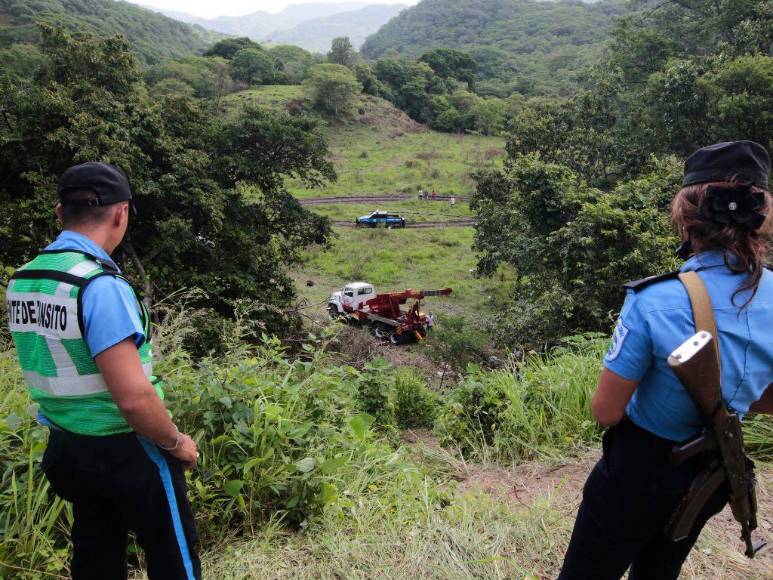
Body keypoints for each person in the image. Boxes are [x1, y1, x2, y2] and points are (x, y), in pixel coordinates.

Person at [559, 141, 773, 579]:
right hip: (712, 473)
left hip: (638, 471)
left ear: (687, 217)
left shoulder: (656, 298)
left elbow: (606, 410)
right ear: (760, 215)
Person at [5, 162, 201, 579]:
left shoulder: (25, 280)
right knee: (174, 560)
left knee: (96, 557)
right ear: (121, 213)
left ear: (60, 213)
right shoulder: (99, 286)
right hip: (126, 451)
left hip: (67, 449)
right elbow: (132, 396)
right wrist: (175, 443)